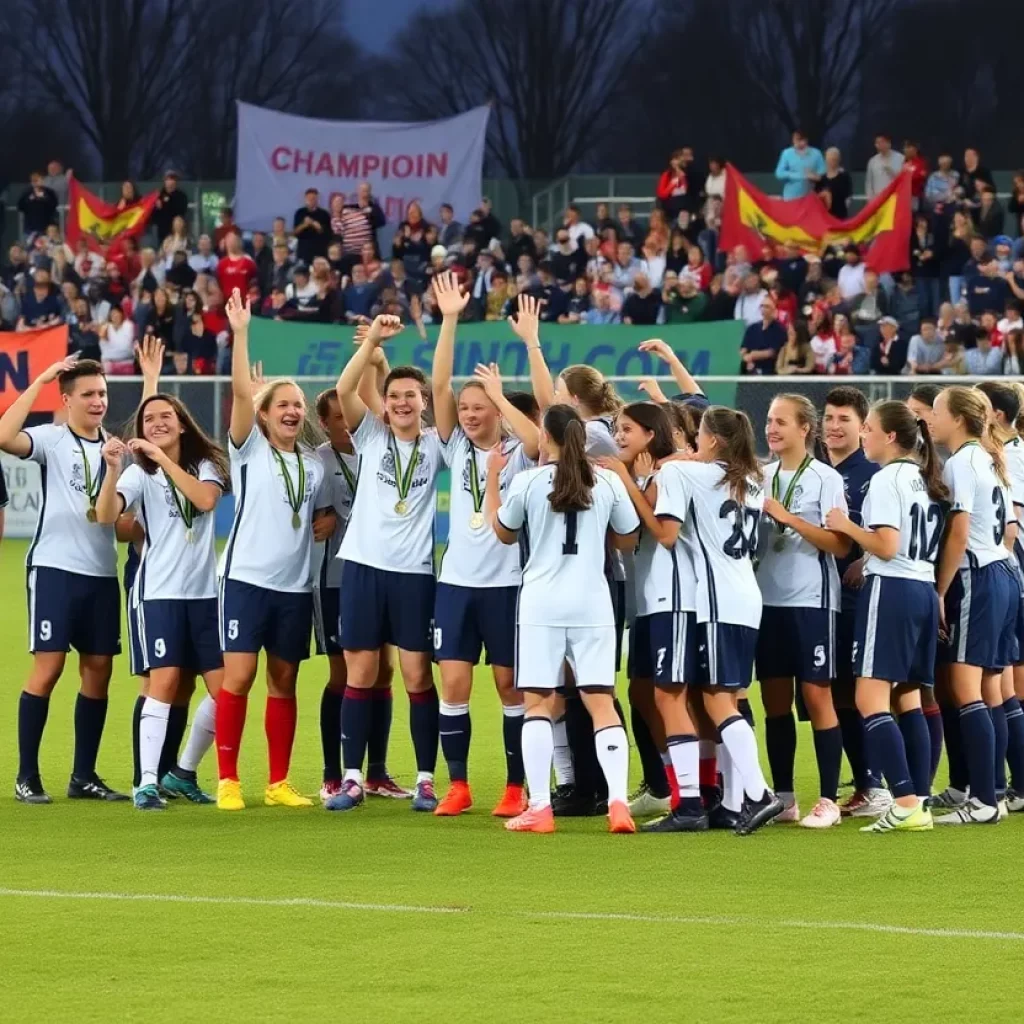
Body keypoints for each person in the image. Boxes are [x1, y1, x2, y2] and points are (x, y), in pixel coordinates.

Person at [489, 404, 640, 834]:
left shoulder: (529, 481)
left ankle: (539, 807)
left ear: (545, 434)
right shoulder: (607, 480)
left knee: (537, 702)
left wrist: (491, 485)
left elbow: (502, 531)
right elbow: (628, 540)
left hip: (541, 604)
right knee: (600, 701)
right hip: (593, 603)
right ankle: (617, 803)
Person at [214, 289, 331, 811]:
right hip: (244, 581)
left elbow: (314, 517)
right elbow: (241, 395)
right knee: (238, 678)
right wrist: (240, 333)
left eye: (298, 405)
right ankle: (228, 779)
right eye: (282, 404)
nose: (292, 410)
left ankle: (278, 781)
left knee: (284, 681)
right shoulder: (248, 448)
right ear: (264, 415)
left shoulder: (313, 462)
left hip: (294, 587)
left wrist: (324, 522)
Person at [429, 277, 541, 816]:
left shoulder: (520, 451)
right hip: (456, 583)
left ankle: (515, 787)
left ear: (496, 410)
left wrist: (499, 394)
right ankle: (458, 785)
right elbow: (437, 388)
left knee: (508, 687)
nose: (470, 415)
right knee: (453, 682)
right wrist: (449, 319)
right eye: (466, 407)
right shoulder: (454, 447)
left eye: (480, 407)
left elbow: (542, 441)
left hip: (507, 585)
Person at [650, 408, 784, 834]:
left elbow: (666, 534)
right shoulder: (755, 478)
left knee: (715, 701)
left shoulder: (686, 476)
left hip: (715, 599)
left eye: (700, 436)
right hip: (747, 596)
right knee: (728, 696)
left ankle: (759, 793)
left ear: (712, 441)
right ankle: (735, 800)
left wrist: (653, 475)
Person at [331, 315, 445, 813]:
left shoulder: (439, 445)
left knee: (418, 675)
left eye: (410, 396)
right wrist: (373, 343)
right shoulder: (372, 437)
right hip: (361, 567)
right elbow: (343, 387)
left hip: (415, 573)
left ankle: (424, 779)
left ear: (424, 402)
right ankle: (352, 779)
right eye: (394, 395)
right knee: (360, 672)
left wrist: (383, 356)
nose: (401, 403)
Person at [0, 358, 127, 804]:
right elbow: (2, 436)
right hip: (54, 569)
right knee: (49, 667)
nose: (98, 401)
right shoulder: (51, 440)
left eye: (103, 394)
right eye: (89, 394)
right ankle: (26, 776)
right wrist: (38, 380)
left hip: (100, 573)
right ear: (67, 398)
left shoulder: (114, 448)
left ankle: (83, 776)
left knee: (98, 672)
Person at [93, 395, 228, 809]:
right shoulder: (139, 476)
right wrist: (114, 470)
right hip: (158, 595)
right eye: (148, 419)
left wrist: (163, 460)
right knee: (165, 682)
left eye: (165, 417)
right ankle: (146, 783)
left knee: (227, 692)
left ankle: (182, 772)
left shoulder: (205, 466)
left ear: (183, 424)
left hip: (205, 595)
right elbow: (104, 516)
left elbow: (205, 501)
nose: (156, 424)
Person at [824, 401, 947, 832]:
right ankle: (921, 797)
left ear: (890, 437)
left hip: (891, 589)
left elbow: (886, 546)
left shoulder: (885, 480)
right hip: (923, 589)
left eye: (870, 428)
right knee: (908, 697)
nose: (864, 435)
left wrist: (846, 524)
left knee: (868, 700)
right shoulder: (923, 477)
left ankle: (906, 800)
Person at [599, 404, 712, 832]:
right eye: (616, 428)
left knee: (678, 696)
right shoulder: (649, 474)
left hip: (676, 597)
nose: (619, 436)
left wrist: (629, 482)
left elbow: (663, 536)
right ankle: (678, 788)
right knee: (644, 693)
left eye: (627, 429)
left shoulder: (671, 471)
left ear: (651, 434)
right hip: (648, 601)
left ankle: (698, 797)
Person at [756, 395, 851, 829]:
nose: (772, 429)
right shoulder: (760, 475)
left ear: (803, 429)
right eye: (770, 421)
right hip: (766, 600)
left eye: (781, 422)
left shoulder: (825, 478)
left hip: (812, 600)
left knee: (816, 697)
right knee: (774, 701)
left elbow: (840, 545)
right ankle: (785, 797)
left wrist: (789, 519)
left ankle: (829, 799)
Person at [312, 384, 407, 804]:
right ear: (325, 423)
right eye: (338, 419)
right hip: (335, 580)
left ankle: (377, 773)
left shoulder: (380, 453)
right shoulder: (319, 462)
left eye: (350, 417)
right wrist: (319, 520)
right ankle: (334, 774)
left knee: (384, 671)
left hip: (380, 575)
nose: (348, 426)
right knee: (345, 675)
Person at [929, 386, 1018, 824]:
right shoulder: (988, 457)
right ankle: (995, 792)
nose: (931, 417)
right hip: (1003, 571)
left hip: (977, 575)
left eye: (938, 411)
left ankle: (983, 801)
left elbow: (960, 533)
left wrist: (940, 591)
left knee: (967, 691)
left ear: (958, 419)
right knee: (989, 690)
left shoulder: (963, 461)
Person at [822, 387, 890, 818]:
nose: (834, 426)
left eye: (843, 419)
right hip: (816, 596)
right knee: (835, 693)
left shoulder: (871, 473)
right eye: (828, 417)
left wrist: (864, 558)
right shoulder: (813, 472)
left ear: (862, 426)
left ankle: (876, 783)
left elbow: (888, 528)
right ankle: (866, 780)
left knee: (857, 691)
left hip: (854, 598)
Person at [975, 381, 1024, 813]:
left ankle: (1006, 786)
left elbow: (1013, 525)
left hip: (1005, 576)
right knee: (1004, 683)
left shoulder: (1012, 456)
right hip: (1010, 575)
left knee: (1004, 684)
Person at [774, 130, 825, 200]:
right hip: (791, 198)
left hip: (810, 198)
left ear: (806, 140)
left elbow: (823, 172)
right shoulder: (786, 153)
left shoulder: (816, 153)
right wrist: (797, 175)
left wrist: (814, 176)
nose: (796, 142)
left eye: (799, 139)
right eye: (794, 139)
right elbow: (779, 173)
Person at [293, 188, 332, 265]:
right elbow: (295, 232)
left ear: (317, 199)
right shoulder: (300, 213)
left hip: (319, 254)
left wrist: (316, 225)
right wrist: (304, 225)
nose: (311, 200)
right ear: (305, 199)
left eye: (313, 198)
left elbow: (328, 235)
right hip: (303, 253)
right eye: (309, 198)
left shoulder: (324, 214)